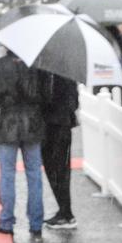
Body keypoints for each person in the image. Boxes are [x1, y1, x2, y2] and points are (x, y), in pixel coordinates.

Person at [0, 50, 45, 237]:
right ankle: (36, 222)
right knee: (34, 174)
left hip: (7, 123)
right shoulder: (36, 65)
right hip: (32, 123)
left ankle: (6, 220)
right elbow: (45, 94)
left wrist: (5, 99)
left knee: (7, 174)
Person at [39, 71, 79, 229]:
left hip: (52, 125)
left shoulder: (47, 75)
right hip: (64, 124)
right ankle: (64, 210)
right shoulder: (68, 76)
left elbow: (44, 99)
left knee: (56, 169)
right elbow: (74, 102)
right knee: (61, 168)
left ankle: (65, 212)